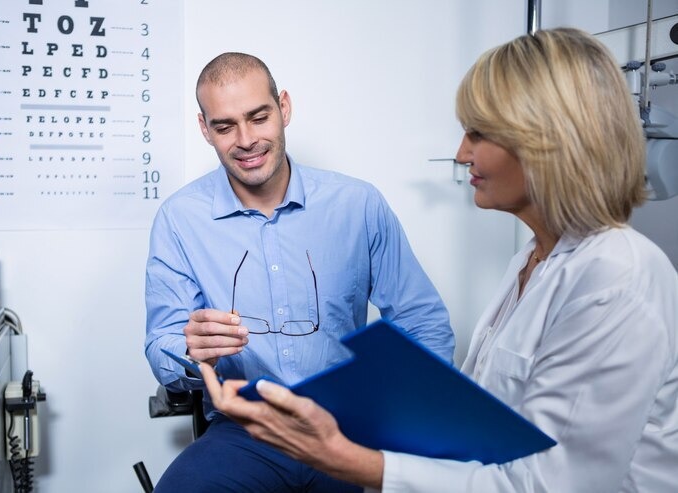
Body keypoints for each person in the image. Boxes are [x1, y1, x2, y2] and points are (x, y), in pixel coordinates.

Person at [201, 28, 678, 492]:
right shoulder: (531, 262)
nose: (461, 153)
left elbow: (550, 484)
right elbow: (489, 425)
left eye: (477, 133)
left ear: (546, 141)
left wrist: (353, 460)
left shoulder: (616, 278)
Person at [145, 52, 454, 492]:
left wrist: (421, 423)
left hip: (349, 425)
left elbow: (422, 321)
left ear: (283, 107)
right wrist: (194, 351)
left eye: (259, 117)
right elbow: (163, 343)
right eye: (225, 126)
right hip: (247, 430)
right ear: (204, 129)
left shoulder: (357, 205)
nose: (247, 139)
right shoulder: (180, 219)